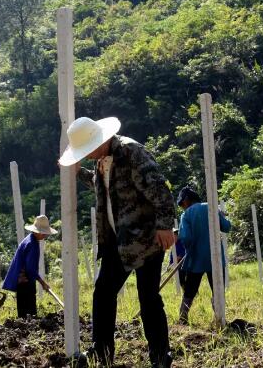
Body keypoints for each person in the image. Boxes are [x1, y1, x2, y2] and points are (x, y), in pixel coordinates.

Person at [59, 116, 176, 368]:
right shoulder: (102, 160)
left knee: (148, 298)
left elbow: (159, 188)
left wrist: (165, 225)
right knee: (103, 293)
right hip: (116, 241)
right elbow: (103, 185)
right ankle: (101, 352)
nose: (85, 155)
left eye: (86, 151)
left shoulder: (131, 152)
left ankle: (160, 355)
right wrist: (80, 174)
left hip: (146, 239)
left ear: (98, 141)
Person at [176, 187, 231, 325]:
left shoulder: (186, 215)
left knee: (190, 290)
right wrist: (222, 216)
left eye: (182, 204)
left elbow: (186, 237)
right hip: (216, 258)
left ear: (187, 201)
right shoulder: (212, 207)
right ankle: (220, 319)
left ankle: (183, 319)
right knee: (218, 290)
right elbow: (226, 227)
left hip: (196, 259)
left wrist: (189, 249)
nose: (183, 208)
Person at [2, 215, 55, 318]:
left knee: (23, 313)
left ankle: (24, 330)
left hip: (21, 280)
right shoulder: (32, 245)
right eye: (43, 233)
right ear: (37, 231)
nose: (45, 236)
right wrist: (43, 283)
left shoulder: (29, 239)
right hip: (25, 282)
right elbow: (30, 269)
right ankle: (28, 331)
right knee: (30, 313)